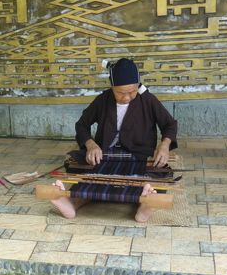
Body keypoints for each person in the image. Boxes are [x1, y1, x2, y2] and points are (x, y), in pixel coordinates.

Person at [51, 57, 178, 222]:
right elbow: (81, 125)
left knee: (156, 176)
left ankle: (145, 206)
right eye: (120, 93)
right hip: (105, 154)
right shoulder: (103, 100)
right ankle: (72, 203)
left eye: (132, 92)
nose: (126, 97)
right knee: (92, 176)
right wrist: (91, 145)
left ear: (138, 85)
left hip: (138, 155)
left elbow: (170, 124)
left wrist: (165, 145)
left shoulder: (147, 100)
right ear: (112, 87)